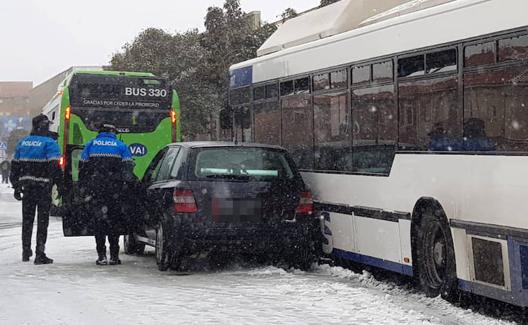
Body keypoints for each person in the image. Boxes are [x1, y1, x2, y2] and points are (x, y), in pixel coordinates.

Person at [10, 114, 63, 264]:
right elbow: (55, 167)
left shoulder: (23, 143)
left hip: (27, 189)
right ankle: (40, 253)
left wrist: (16, 186)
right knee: (42, 221)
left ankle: (25, 251)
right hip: (43, 188)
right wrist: (58, 184)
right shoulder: (50, 143)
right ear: (45, 125)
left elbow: (15, 166)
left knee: (27, 221)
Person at [79, 124, 134, 266]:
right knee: (114, 222)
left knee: (99, 222)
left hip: (96, 191)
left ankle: (101, 255)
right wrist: (126, 186)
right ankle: (114, 256)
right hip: (115, 191)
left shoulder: (90, 145)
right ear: (112, 132)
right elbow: (128, 169)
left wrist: (83, 188)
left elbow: (83, 169)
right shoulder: (121, 146)